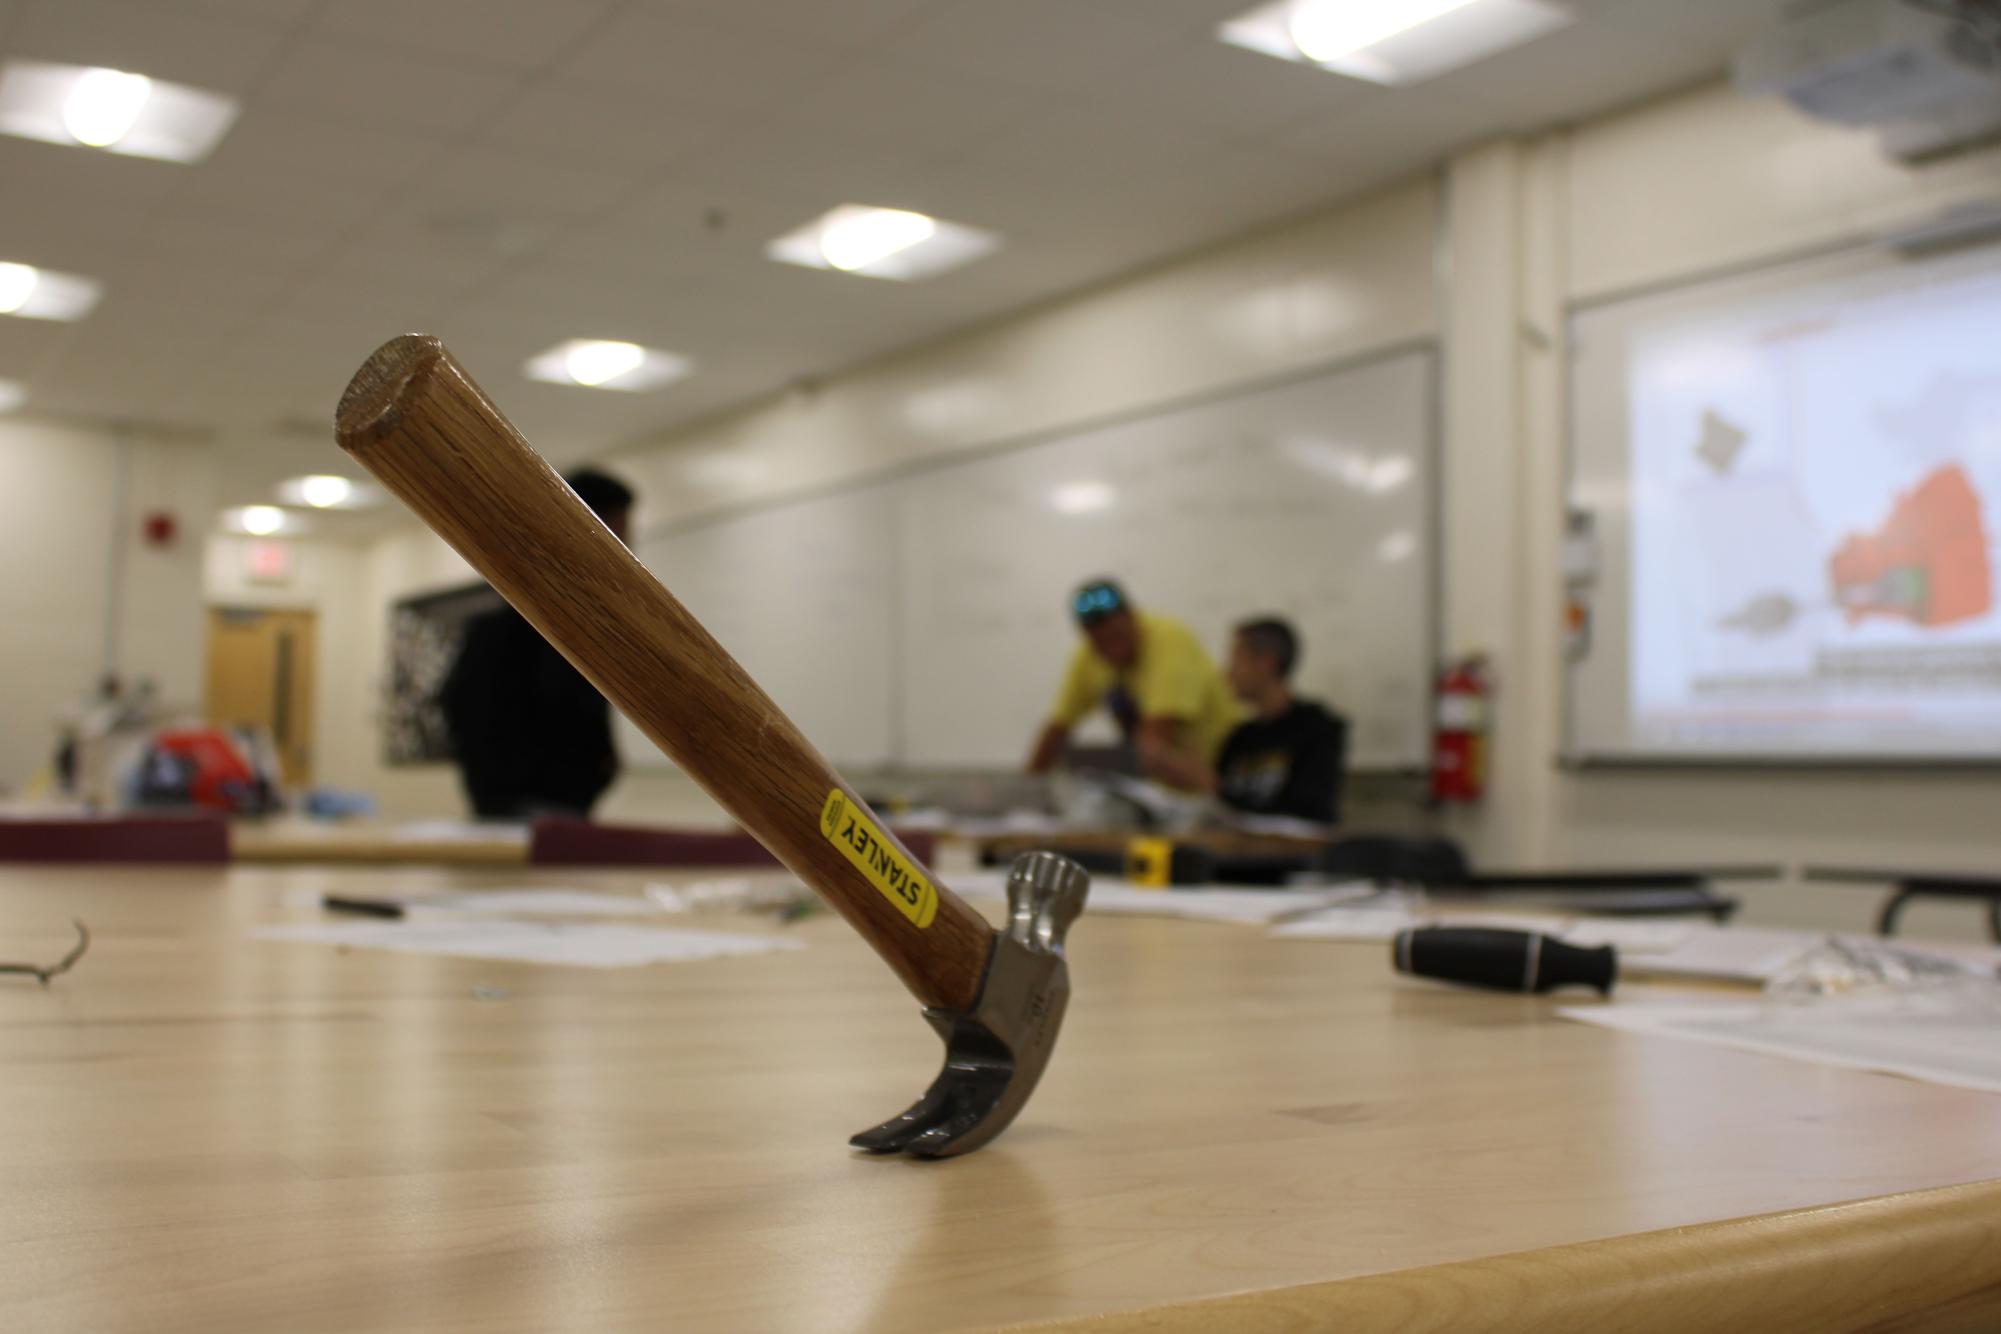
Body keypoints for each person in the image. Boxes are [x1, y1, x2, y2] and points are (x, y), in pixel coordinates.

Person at [439, 469, 634, 819]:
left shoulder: (564, 613)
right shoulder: (533, 614)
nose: (627, 542)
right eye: (618, 528)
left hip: (544, 795)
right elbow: (473, 702)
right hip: (534, 799)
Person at [1025, 579, 1238, 792]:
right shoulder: (1090, 656)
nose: (1111, 648)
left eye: (1117, 636)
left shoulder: (1170, 641)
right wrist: (1026, 790)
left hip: (1223, 782)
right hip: (1167, 795)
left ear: (1132, 616)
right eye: (1100, 643)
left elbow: (1155, 741)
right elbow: (1057, 727)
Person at [1211, 616, 1349, 824]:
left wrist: (1211, 786)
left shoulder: (1318, 730)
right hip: (1237, 852)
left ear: (1266, 663)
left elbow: (1308, 812)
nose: (1227, 673)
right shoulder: (1240, 737)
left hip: (1294, 854)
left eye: (1237, 659)